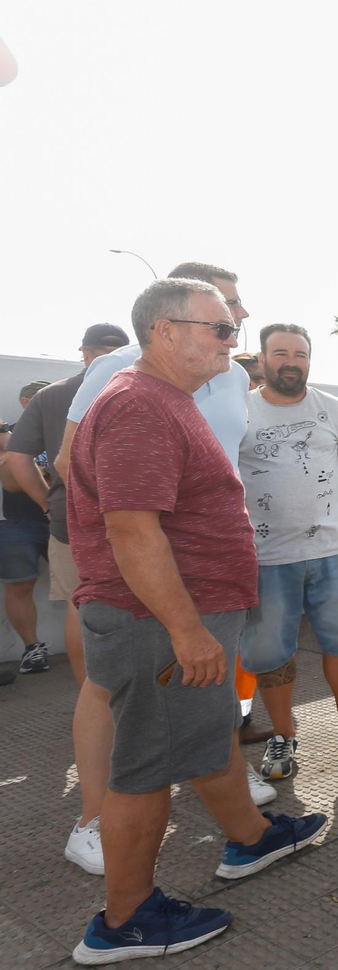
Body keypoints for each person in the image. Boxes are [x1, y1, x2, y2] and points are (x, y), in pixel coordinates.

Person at [67, 279, 327, 964]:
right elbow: (130, 529)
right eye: (217, 328)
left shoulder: (161, 401)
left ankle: (249, 839)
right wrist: (186, 629)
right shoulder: (141, 406)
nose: (231, 340)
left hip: (179, 615)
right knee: (145, 769)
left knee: (199, 736)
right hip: (156, 621)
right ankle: (124, 921)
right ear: (166, 332)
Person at [2, 322, 128, 874]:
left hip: (70, 525)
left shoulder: (55, 394)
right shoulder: (131, 387)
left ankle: (90, 700)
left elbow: (15, 460)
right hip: (135, 523)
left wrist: (48, 497)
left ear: (83, 353)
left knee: (82, 607)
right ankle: (111, 706)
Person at [238, 323, 338, 781]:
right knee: (273, 653)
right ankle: (282, 736)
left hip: (333, 551)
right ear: (261, 359)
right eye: (280, 353)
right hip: (266, 558)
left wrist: (324, 501)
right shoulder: (238, 411)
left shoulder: (334, 409)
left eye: (299, 353)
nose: (290, 362)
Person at [2, 380, 55, 677]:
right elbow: (11, 481)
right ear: (25, 402)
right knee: (21, 584)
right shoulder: (9, 432)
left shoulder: (65, 428)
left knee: (84, 584)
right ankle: (32, 649)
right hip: (17, 522)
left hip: (62, 518)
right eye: (39, 398)